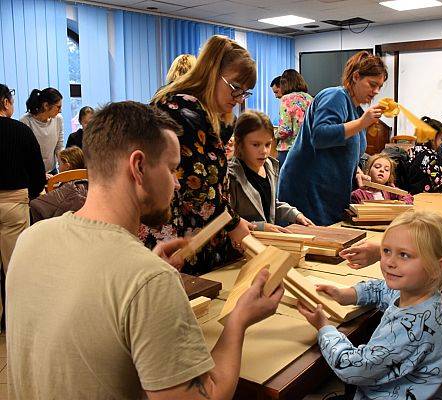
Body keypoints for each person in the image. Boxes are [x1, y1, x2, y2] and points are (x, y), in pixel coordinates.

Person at [7, 101, 284, 400]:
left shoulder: (30, 240)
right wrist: (238, 321)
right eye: (172, 169)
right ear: (138, 167)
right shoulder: (148, 280)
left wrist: (144, 270)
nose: (177, 185)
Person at [298, 211, 442, 399]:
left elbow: (353, 367)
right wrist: (348, 294)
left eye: (404, 255)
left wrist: (324, 328)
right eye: (386, 251)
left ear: (437, 266)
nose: (390, 262)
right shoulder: (424, 293)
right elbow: (382, 289)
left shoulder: (408, 325)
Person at [146, 35, 256, 275]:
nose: (238, 100)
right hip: (178, 234)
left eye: (245, 93)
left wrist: (232, 220)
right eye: (235, 88)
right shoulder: (183, 108)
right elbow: (198, 187)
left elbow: (211, 185)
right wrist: (235, 225)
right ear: (213, 72)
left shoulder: (201, 110)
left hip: (198, 231)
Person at [278, 51, 387, 226]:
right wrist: (362, 123)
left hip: (327, 193)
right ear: (356, 77)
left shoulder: (357, 110)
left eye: (379, 87)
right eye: (372, 84)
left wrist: (357, 171)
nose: (376, 91)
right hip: (308, 190)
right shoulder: (336, 96)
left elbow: (348, 152)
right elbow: (320, 135)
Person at [0, 84, 45, 331]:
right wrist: (30, 195)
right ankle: (15, 322)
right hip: (13, 202)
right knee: (14, 266)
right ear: (6, 102)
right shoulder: (21, 131)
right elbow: (38, 173)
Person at [228, 110, 314, 233]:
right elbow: (228, 220)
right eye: (256, 145)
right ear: (240, 143)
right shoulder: (231, 175)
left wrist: (295, 214)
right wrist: (261, 227)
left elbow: (271, 205)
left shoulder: (269, 166)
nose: (264, 151)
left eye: (267, 144)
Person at [405, 116, 442, 194]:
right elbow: (439, 180)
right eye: (441, 138)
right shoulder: (430, 154)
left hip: (410, 192)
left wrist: (441, 169)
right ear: (432, 138)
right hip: (421, 196)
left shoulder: (415, 149)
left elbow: (422, 168)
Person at [30, 147, 87, 223]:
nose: (58, 167)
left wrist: (42, 191)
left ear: (67, 166)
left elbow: (36, 205)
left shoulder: (69, 189)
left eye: (59, 164)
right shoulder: (89, 185)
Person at [20, 87, 64, 176]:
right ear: (46, 105)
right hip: (32, 173)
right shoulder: (26, 121)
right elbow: (24, 154)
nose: (60, 111)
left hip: (52, 171)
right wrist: (39, 174)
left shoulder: (58, 119)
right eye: (58, 107)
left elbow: (59, 146)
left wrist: (63, 167)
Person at [275, 69, 313, 166]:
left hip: (289, 150)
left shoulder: (286, 99)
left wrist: (273, 134)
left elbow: (285, 130)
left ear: (284, 84)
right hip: (308, 149)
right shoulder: (310, 99)